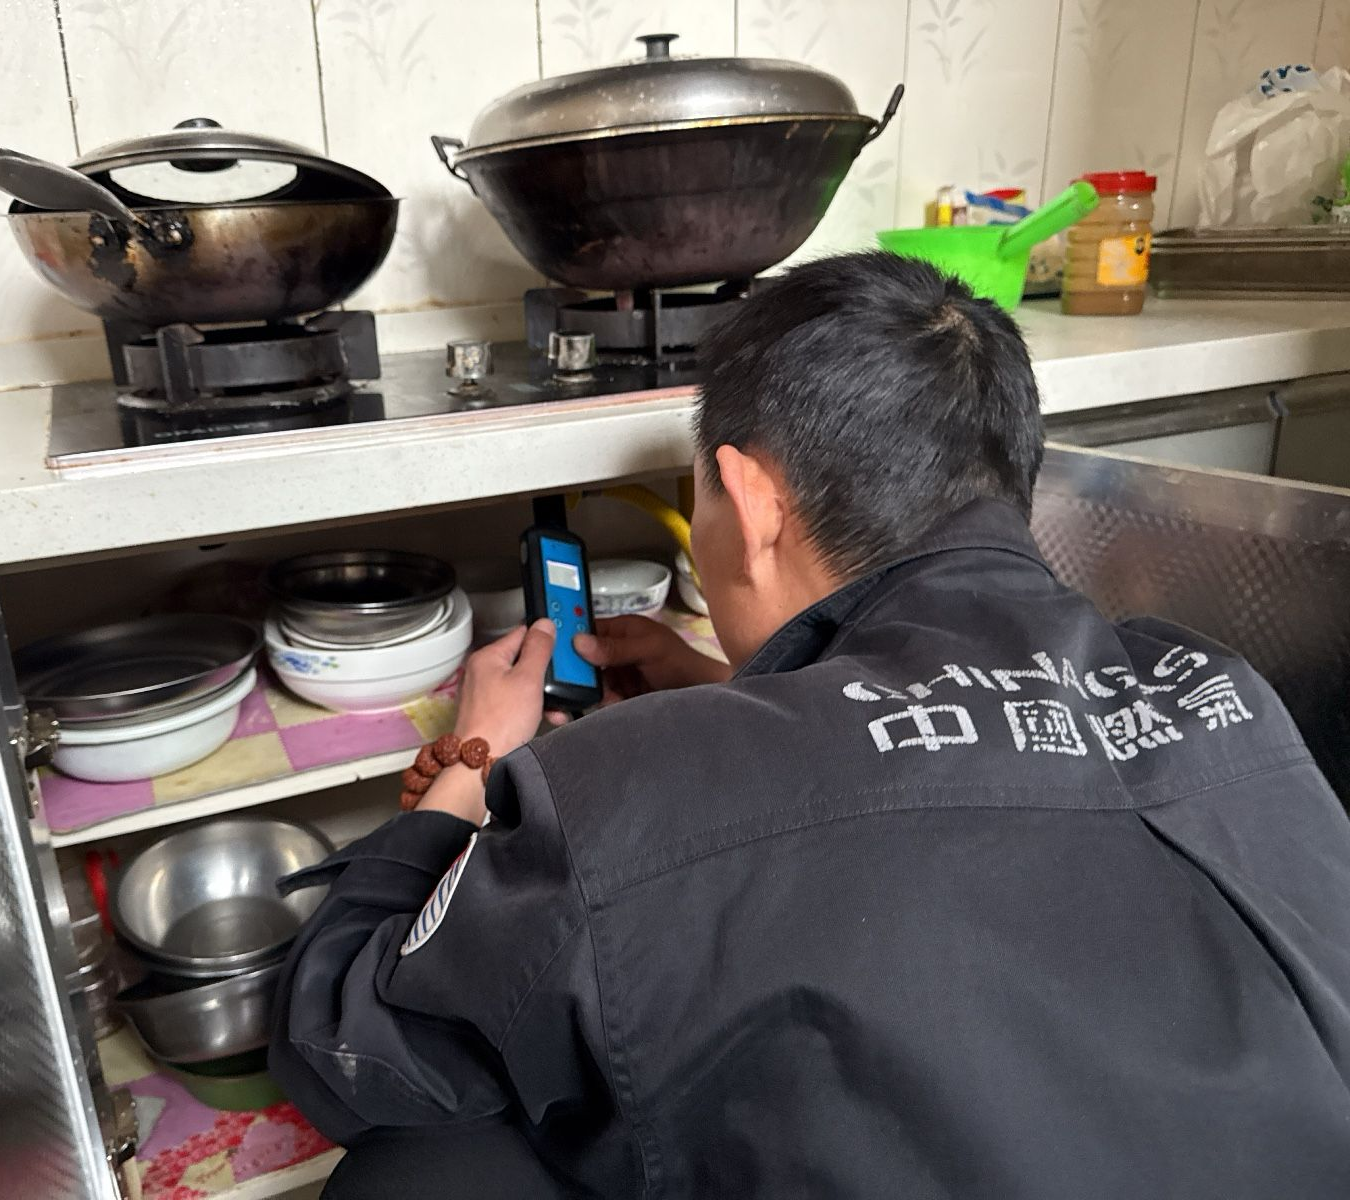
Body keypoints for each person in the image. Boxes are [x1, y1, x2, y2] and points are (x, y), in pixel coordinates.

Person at [269, 252, 1350, 1199]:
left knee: (416, 1171)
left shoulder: (624, 788)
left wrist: (472, 775)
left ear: (752, 502)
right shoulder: (1216, 688)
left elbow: (338, 1048)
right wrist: (741, 700)